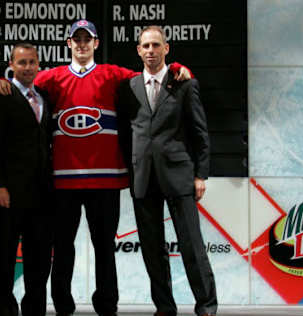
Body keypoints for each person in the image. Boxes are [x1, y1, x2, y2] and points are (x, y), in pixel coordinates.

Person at [0, 20, 191, 316]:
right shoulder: (52, 78)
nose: (82, 44)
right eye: (77, 39)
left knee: (104, 248)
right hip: (63, 181)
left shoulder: (113, 74)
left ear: (96, 43)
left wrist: (176, 66)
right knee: (62, 249)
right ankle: (62, 303)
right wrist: (2, 82)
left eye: (88, 39)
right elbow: (24, 82)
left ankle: (106, 304)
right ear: (69, 44)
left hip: (106, 180)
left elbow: (152, 73)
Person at [116, 25, 217, 316]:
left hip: (180, 176)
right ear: (138, 50)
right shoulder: (129, 87)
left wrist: (201, 175)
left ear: (166, 49)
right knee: (151, 248)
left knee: (192, 245)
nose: (150, 51)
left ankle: (207, 306)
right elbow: (126, 132)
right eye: (145, 46)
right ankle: (164, 306)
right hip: (143, 177)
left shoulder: (184, 83)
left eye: (155, 45)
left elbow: (200, 133)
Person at [0, 43, 54, 316]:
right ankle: (6, 311)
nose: (27, 67)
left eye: (32, 62)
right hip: (8, 193)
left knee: (39, 260)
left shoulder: (45, 96)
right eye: (21, 62)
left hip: (42, 194)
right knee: (3, 258)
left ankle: (34, 310)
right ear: (11, 65)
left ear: (39, 65)